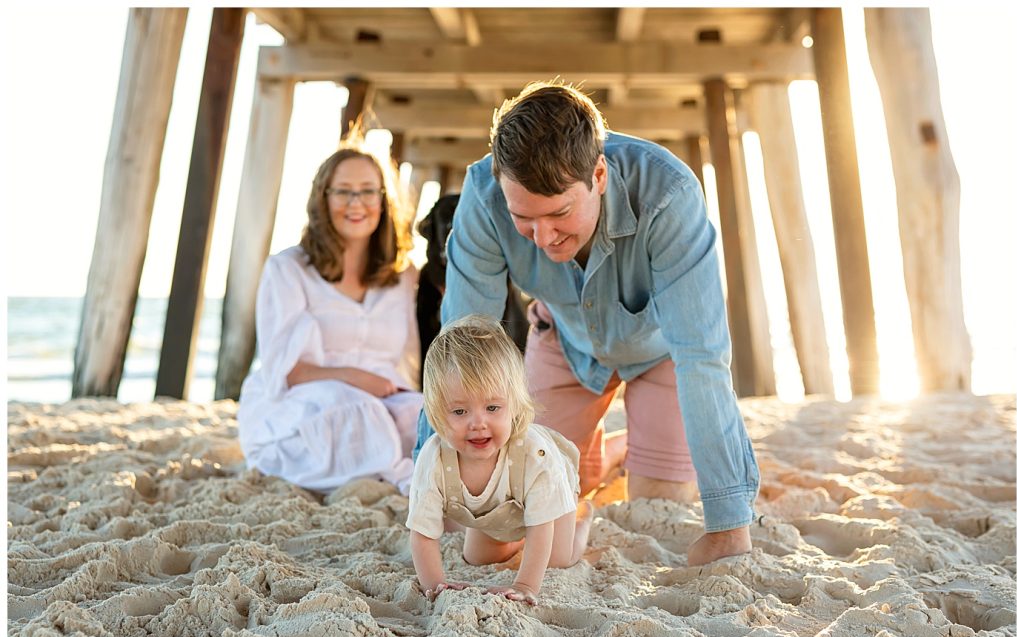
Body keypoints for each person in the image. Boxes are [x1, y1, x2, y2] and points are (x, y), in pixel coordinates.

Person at [415, 81, 760, 566]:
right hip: (564, 343)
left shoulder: (670, 194)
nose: (544, 237)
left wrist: (728, 523)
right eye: (524, 219)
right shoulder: (482, 196)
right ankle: (598, 454)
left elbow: (701, 357)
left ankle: (625, 451)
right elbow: (459, 349)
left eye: (559, 214)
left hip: (658, 353)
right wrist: (430, 490)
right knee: (504, 519)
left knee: (656, 502)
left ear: (598, 174)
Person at [237, 136, 422, 495]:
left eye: (368, 191)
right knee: (354, 409)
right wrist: (353, 377)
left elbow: (407, 362)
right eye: (343, 192)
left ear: (383, 201)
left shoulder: (401, 276)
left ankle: (400, 471)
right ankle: (406, 481)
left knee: (426, 416)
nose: (357, 203)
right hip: (301, 405)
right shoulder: (287, 270)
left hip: (381, 401)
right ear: (323, 198)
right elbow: (284, 370)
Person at [407, 315, 593, 606]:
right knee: (477, 558)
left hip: (548, 503)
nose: (478, 423)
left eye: (493, 407)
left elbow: (542, 526)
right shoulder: (434, 460)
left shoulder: (535, 455)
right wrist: (436, 585)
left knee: (557, 558)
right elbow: (422, 535)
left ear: (514, 405)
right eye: (459, 412)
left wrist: (524, 584)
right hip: (496, 514)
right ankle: (516, 538)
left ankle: (581, 522)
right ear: (436, 414)